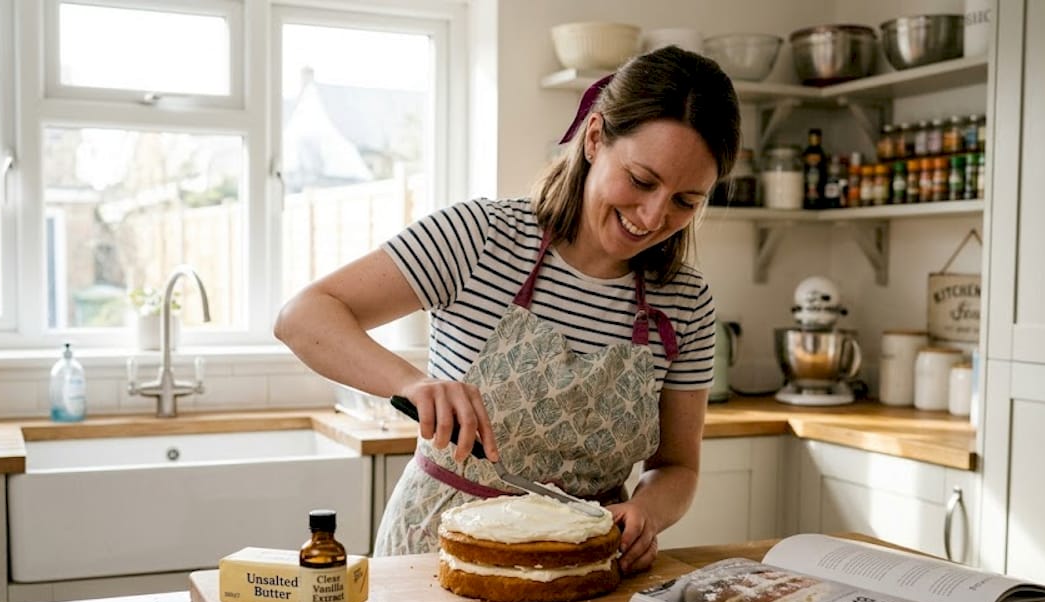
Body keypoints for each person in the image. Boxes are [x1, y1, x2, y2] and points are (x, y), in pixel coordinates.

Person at [275, 46, 740, 574]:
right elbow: (303, 316)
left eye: (686, 201)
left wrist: (645, 512)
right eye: (641, 180)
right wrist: (412, 384)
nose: (654, 215)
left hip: (584, 564)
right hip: (438, 558)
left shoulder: (685, 301)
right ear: (594, 139)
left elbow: (678, 467)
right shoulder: (481, 237)